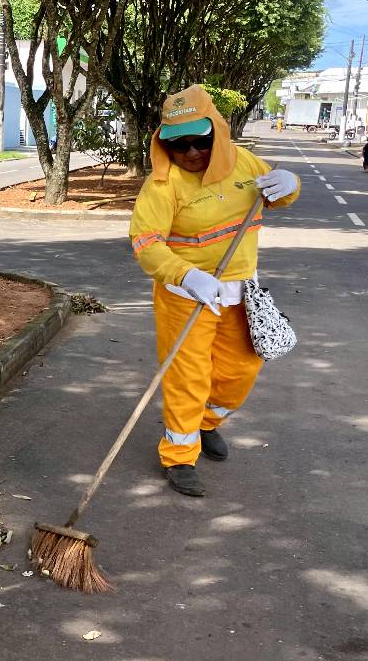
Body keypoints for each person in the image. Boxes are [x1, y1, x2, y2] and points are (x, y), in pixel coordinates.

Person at [128, 85, 300, 496]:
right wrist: (187, 276)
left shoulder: (243, 163)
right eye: (178, 144)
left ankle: (207, 424)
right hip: (185, 296)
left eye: (200, 142)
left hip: (240, 292)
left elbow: (278, 197)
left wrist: (290, 183)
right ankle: (179, 455)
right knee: (188, 376)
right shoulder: (163, 184)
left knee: (240, 370)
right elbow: (145, 242)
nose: (190, 153)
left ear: (218, 135)